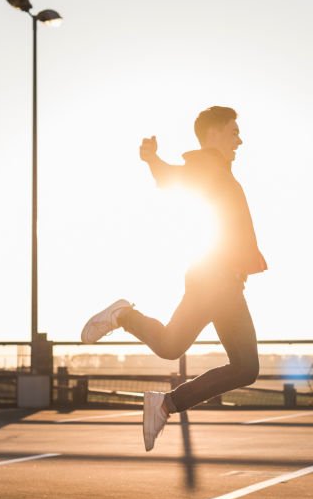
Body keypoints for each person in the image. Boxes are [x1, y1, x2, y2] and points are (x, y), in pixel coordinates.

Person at [81, 106, 266, 451]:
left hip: (218, 278)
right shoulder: (209, 164)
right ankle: (165, 399)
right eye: (233, 131)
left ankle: (128, 325)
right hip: (216, 279)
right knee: (244, 366)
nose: (239, 139)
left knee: (171, 346)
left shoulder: (218, 169)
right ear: (213, 134)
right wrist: (153, 161)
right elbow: (174, 179)